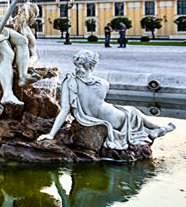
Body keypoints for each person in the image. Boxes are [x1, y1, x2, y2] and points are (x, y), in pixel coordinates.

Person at [38, 49, 175, 148]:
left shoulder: (69, 82)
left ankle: (156, 130)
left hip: (97, 119)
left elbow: (65, 111)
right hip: (113, 118)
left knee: (131, 112)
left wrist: (51, 134)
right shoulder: (103, 83)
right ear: (93, 65)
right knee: (133, 112)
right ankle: (158, 129)